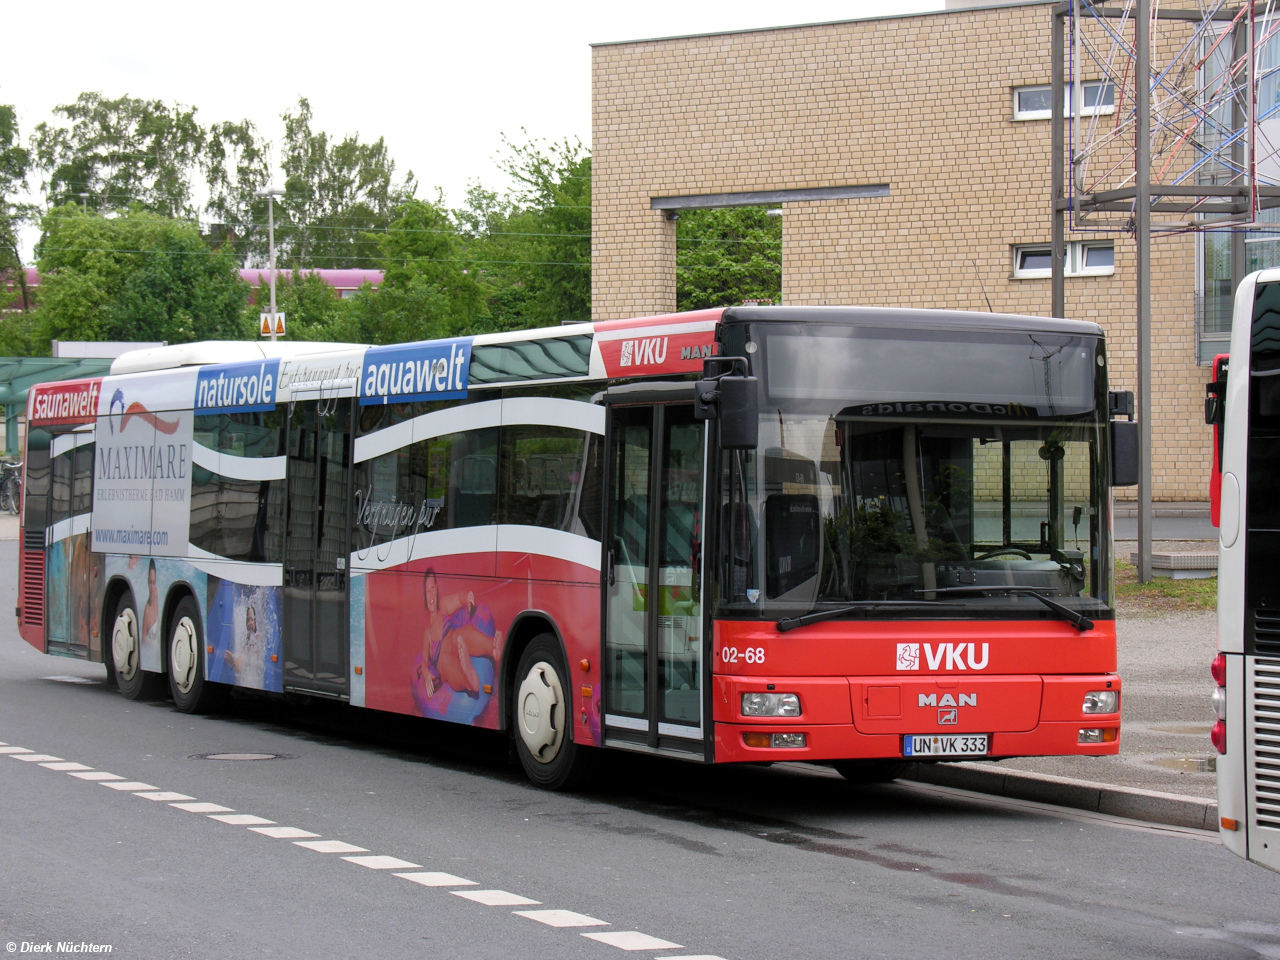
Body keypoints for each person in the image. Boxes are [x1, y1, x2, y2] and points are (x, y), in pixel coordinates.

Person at [415, 568, 501, 702]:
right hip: (443, 664)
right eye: (427, 591)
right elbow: (424, 662)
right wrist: (427, 676)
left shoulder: (442, 607)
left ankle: (493, 648)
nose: (431, 594)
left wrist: (468, 598)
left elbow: (458, 599)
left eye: (433, 588)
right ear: (424, 596)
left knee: (458, 636)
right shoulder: (428, 632)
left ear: (437, 589)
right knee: (446, 660)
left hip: (454, 646)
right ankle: (469, 681)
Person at [142, 559, 160, 649]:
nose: (152, 588)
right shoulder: (147, 611)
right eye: (150, 583)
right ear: (147, 582)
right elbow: (143, 640)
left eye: (154, 583)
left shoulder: (157, 595)